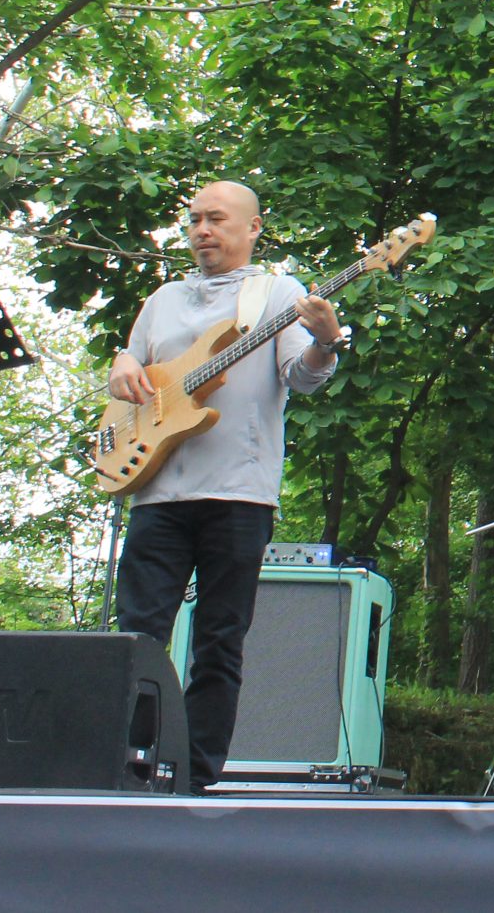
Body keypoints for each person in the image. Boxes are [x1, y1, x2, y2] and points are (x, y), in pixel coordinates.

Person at [106, 181, 342, 790]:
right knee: (137, 636)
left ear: (253, 227)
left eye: (215, 219)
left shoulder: (279, 294)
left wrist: (325, 342)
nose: (201, 230)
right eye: (194, 220)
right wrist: (122, 364)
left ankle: (194, 775)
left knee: (219, 642)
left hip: (238, 494)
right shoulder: (162, 299)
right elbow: (133, 367)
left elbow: (302, 377)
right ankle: (128, 766)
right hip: (157, 491)